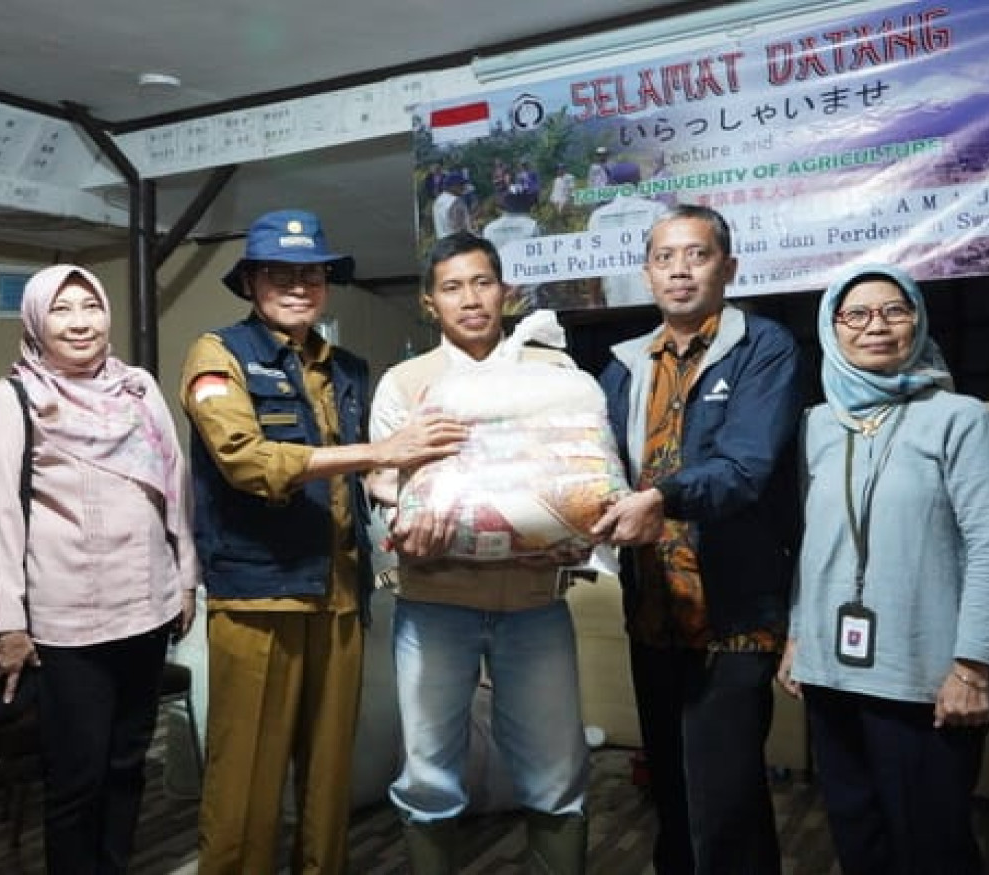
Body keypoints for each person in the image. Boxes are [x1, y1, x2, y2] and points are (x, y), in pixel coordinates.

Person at [180, 209, 465, 875]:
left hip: (339, 596)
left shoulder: (349, 370)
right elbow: (245, 459)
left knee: (330, 777)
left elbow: (379, 474)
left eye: (312, 274)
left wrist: (423, 491)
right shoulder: (218, 355)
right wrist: (380, 451)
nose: (298, 286)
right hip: (260, 596)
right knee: (245, 779)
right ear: (250, 281)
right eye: (280, 273)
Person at [777, 263, 989, 874]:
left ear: (918, 321)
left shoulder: (962, 419)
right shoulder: (816, 424)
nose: (876, 326)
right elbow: (813, 543)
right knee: (858, 838)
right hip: (832, 671)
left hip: (926, 676)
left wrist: (973, 667)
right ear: (833, 328)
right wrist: (799, 636)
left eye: (894, 310)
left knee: (932, 849)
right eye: (856, 314)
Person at [368, 231, 592, 874]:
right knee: (428, 776)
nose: (470, 300)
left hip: (535, 604)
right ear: (429, 303)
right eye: (452, 288)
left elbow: (581, 470)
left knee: (557, 772)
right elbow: (384, 483)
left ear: (505, 291)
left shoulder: (550, 373)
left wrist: (573, 526)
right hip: (434, 603)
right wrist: (404, 519)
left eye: (482, 283)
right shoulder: (406, 383)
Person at [592, 204, 802, 874]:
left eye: (697, 254)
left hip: (733, 616)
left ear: (727, 267)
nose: (680, 270)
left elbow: (745, 467)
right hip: (653, 612)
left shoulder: (763, 347)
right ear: (647, 273)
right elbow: (599, 469)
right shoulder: (625, 366)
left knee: (726, 799)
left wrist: (660, 497)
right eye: (665, 257)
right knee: (672, 792)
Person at [0, 264, 197, 874]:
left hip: (147, 607)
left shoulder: (138, 388)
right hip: (66, 621)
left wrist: (185, 577)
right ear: (35, 322)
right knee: (77, 776)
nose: (80, 323)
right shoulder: (13, 397)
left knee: (127, 764)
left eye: (90, 307)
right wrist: (6, 621)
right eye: (61, 310)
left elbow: (175, 484)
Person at [586, 162, 668, 309]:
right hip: (652, 298)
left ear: (612, 184)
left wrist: (594, 301)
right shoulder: (657, 210)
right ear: (639, 181)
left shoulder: (598, 217)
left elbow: (594, 263)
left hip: (616, 298)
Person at [432, 170, 473, 239]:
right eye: (461, 184)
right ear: (452, 186)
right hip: (459, 242)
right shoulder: (456, 202)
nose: (463, 187)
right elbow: (460, 229)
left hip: (443, 242)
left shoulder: (437, 201)